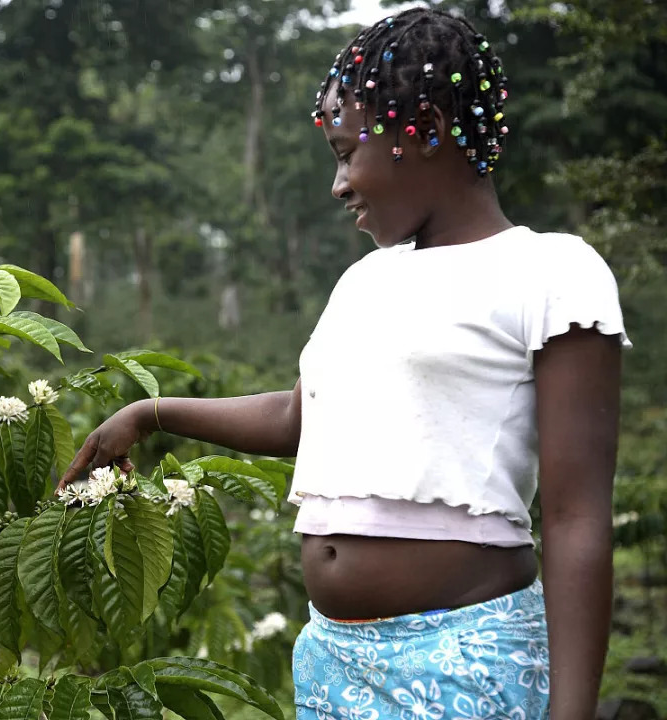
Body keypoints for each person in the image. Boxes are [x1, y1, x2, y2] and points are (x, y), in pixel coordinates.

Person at [58, 7, 630, 720]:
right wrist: (148, 414)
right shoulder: (365, 280)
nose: (338, 185)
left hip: (466, 660)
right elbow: (301, 416)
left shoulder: (551, 273)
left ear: (420, 128)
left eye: (344, 152)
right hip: (332, 660)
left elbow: (578, 517)